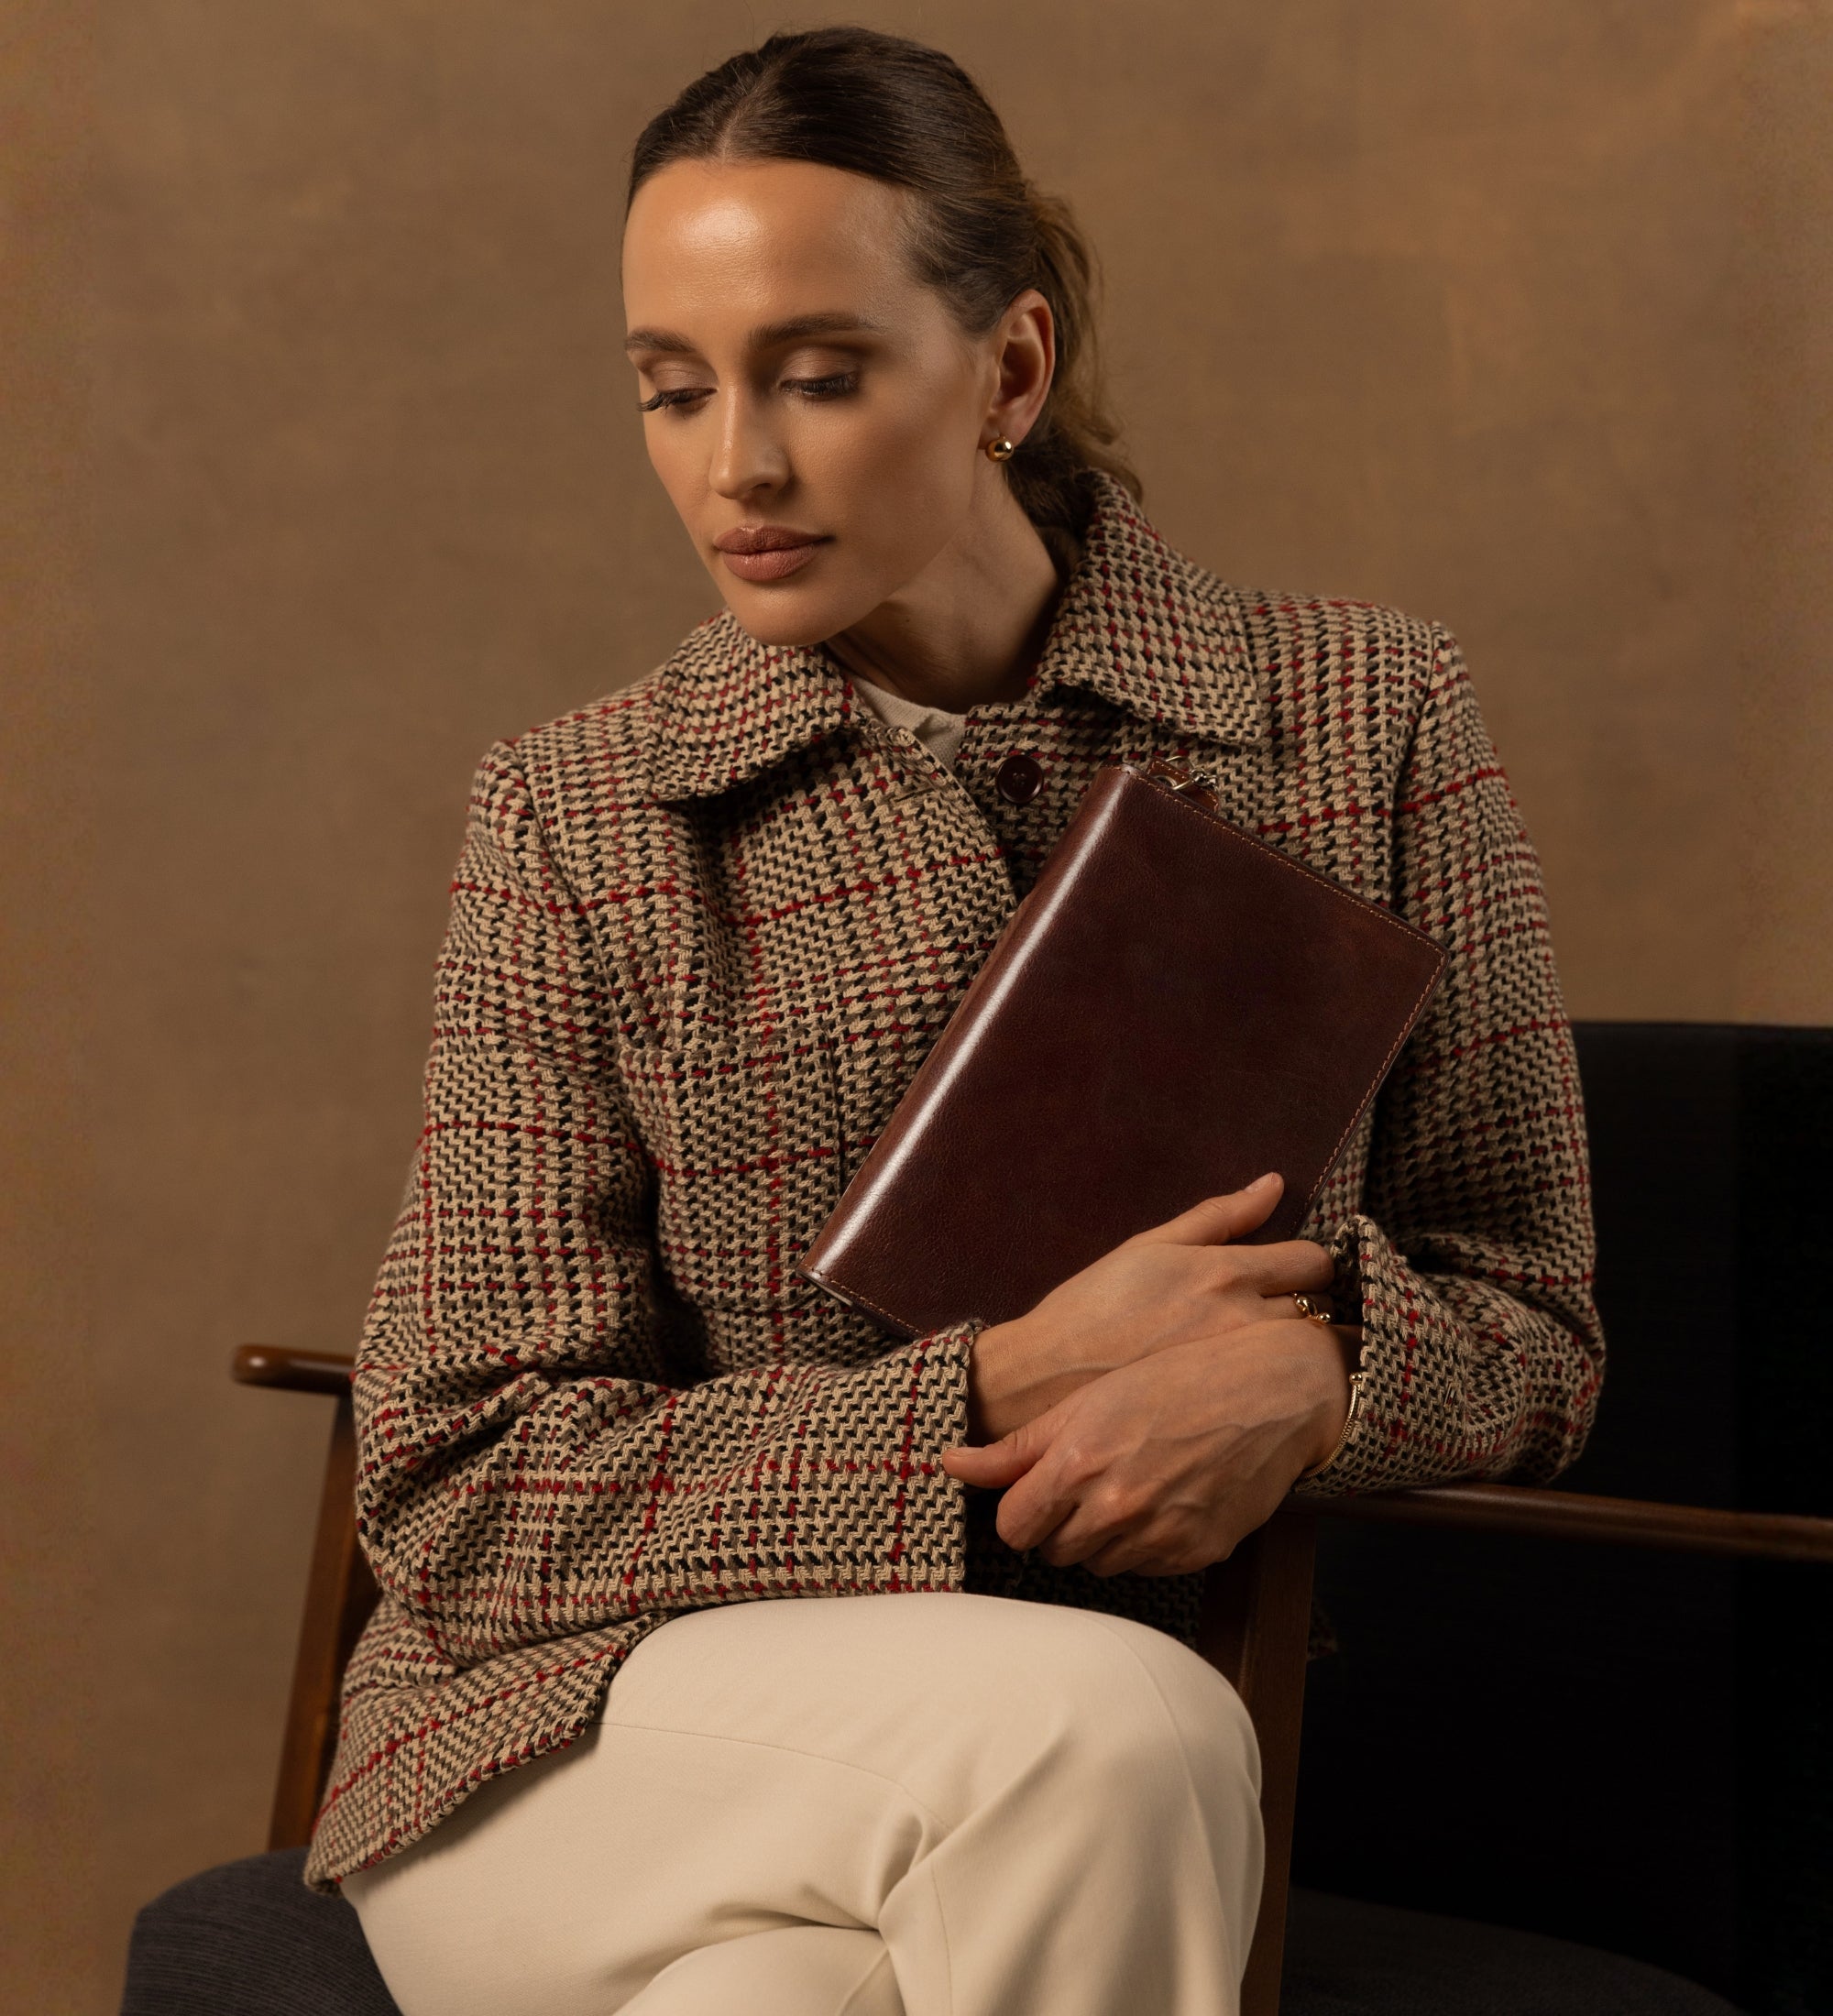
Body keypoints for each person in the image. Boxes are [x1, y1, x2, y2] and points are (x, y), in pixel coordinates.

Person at [319, 27, 1603, 2016]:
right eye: (673, 387)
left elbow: (1538, 1322)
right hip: (572, 1738)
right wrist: (988, 1393)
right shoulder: (582, 815)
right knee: (1112, 1732)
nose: (736, 466)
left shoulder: (1369, 720)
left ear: (1008, 371)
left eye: (818, 375)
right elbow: (457, 1484)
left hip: (1022, 1793)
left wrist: (1322, 1376)